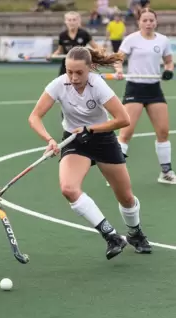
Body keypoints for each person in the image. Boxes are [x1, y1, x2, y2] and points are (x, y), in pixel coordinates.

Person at [28, 46, 152, 260]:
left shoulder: (98, 85)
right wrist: (49, 139)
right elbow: (34, 117)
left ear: (90, 68)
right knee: (68, 188)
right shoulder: (59, 85)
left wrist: (90, 129)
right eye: (69, 72)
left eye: (79, 73)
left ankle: (135, 233)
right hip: (75, 140)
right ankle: (111, 236)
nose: (74, 78)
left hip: (102, 138)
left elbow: (123, 119)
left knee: (126, 197)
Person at [114, 8, 175, 184]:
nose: (148, 23)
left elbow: (169, 61)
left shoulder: (163, 40)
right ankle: (115, 173)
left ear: (156, 22)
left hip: (154, 89)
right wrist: (118, 70)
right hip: (135, 88)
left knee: (163, 132)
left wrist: (169, 71)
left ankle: (166, 172)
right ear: (139, 22)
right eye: (145, 20)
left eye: (151, 20)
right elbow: (119, 58)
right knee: (126, 133)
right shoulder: (131, 39)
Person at [50, 11, 100, 76]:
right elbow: (60, 50)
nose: (72, 22)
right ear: (66, 21)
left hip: (81, 66)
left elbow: (96, 47)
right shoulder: (62, 35)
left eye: (74, 20)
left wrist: (95, 55)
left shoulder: (84, 34)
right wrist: (52, 56)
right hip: (66, 67)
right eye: (69, 20)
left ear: (78, 21)